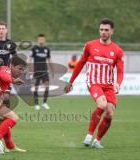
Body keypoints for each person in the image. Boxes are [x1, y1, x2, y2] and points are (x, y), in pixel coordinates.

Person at [64, 18, 124, 148]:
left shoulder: (117, 50)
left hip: (108, 85)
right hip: (94, 82)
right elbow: (80, 63)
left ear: (112, 31)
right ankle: (89, 135)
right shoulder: (90, 45)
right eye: (101, 29)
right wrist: (70, 81)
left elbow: (120, 71)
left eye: (106, 30)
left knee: (109, 113)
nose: (103, 32)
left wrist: (118, 83)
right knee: (102, 104)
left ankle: (97, 141)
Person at [28, 34, 53, 110]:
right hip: (36, 71)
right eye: (40, 39)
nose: (41, 40)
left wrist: (52, 69)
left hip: (45, 71)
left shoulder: (47, 49)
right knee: (36, 88)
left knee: (47, 86)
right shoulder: (34, 49)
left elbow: (49, 60)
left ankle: (44, 103)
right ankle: (36, 104)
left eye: (43, 39)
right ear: (38, 40)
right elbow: (29, 60)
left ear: (44, 40)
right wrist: (30, 70)